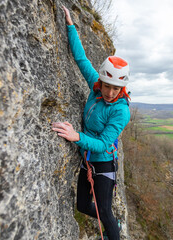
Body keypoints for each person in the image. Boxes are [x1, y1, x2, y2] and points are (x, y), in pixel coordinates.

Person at [51, 6, 131, 240]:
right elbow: (80, 58)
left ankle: (111, 230)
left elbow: (105, 144)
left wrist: (77, 137)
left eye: (116, 88)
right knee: (83, 206)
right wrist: (70, 25)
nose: (109, 92)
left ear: (122, 88)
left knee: (105, 210)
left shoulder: (120, 111)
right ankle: (110, 222)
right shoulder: (95, 86)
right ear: (102, 81)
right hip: (87, 161)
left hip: (104, 164)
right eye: (107, 86)